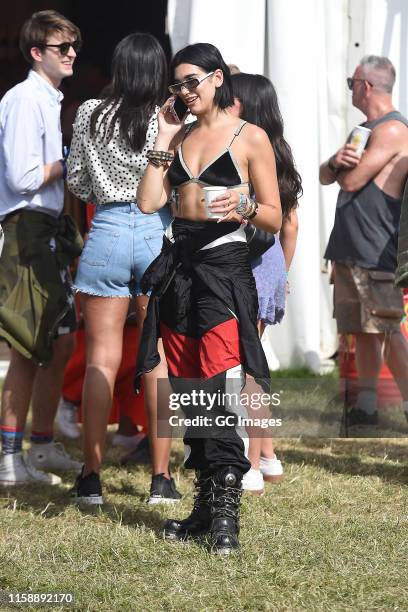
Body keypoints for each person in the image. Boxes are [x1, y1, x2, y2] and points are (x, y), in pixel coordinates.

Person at [136, 43, 282, 554]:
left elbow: (273, 216)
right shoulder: (180, 136)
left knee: (217, 386)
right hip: (179, 271)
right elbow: (150, 200)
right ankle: (203, 507)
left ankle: (225, 518)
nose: (184, 92)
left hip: (223, 271)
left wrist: (243, 203)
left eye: (192, 81)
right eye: (177, 84)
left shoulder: (250, 137)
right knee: (188, 389)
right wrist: (163, 137)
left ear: (218, 79)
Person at [67, 33, 178, 505]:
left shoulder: (91, 112)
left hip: (108, 230)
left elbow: (76, 180)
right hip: (156, 232)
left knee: (100, 360)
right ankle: (161, 478)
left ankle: (91, 477)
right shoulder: (171, 117)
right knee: (155, 361)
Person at [0, 10, 83, 485]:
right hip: (26, 230)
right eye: (61, 47)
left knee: (60, 341)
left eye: (73, 46)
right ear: (37, 53)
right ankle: (11, 456)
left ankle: (43, 444)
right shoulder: (25, 100)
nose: (72, 54)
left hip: (46, 230)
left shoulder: (47, 99)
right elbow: (23, 176)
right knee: (30, 346)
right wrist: (69, 161)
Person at [320, 55, 408, 426]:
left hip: (375, 249)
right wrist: (338, 161)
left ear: (365, 85)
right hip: (352, 247)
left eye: (350, 81)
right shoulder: (365, 129)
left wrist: (339, 166)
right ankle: (367, 407)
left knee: (386, 330)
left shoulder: (391, 131)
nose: (349, 88)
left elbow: (351, 181)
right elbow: (326, 175)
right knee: (363, 330)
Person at [230, 72, 302, 494]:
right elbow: (290, 225)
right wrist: (282, 274)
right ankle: (268, 457)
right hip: (270, 263)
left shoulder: (249, 151)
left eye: (233, 99)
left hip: (251, 265)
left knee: (246, 371)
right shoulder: (279, 151)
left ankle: (251, 465)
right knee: (252, 363)